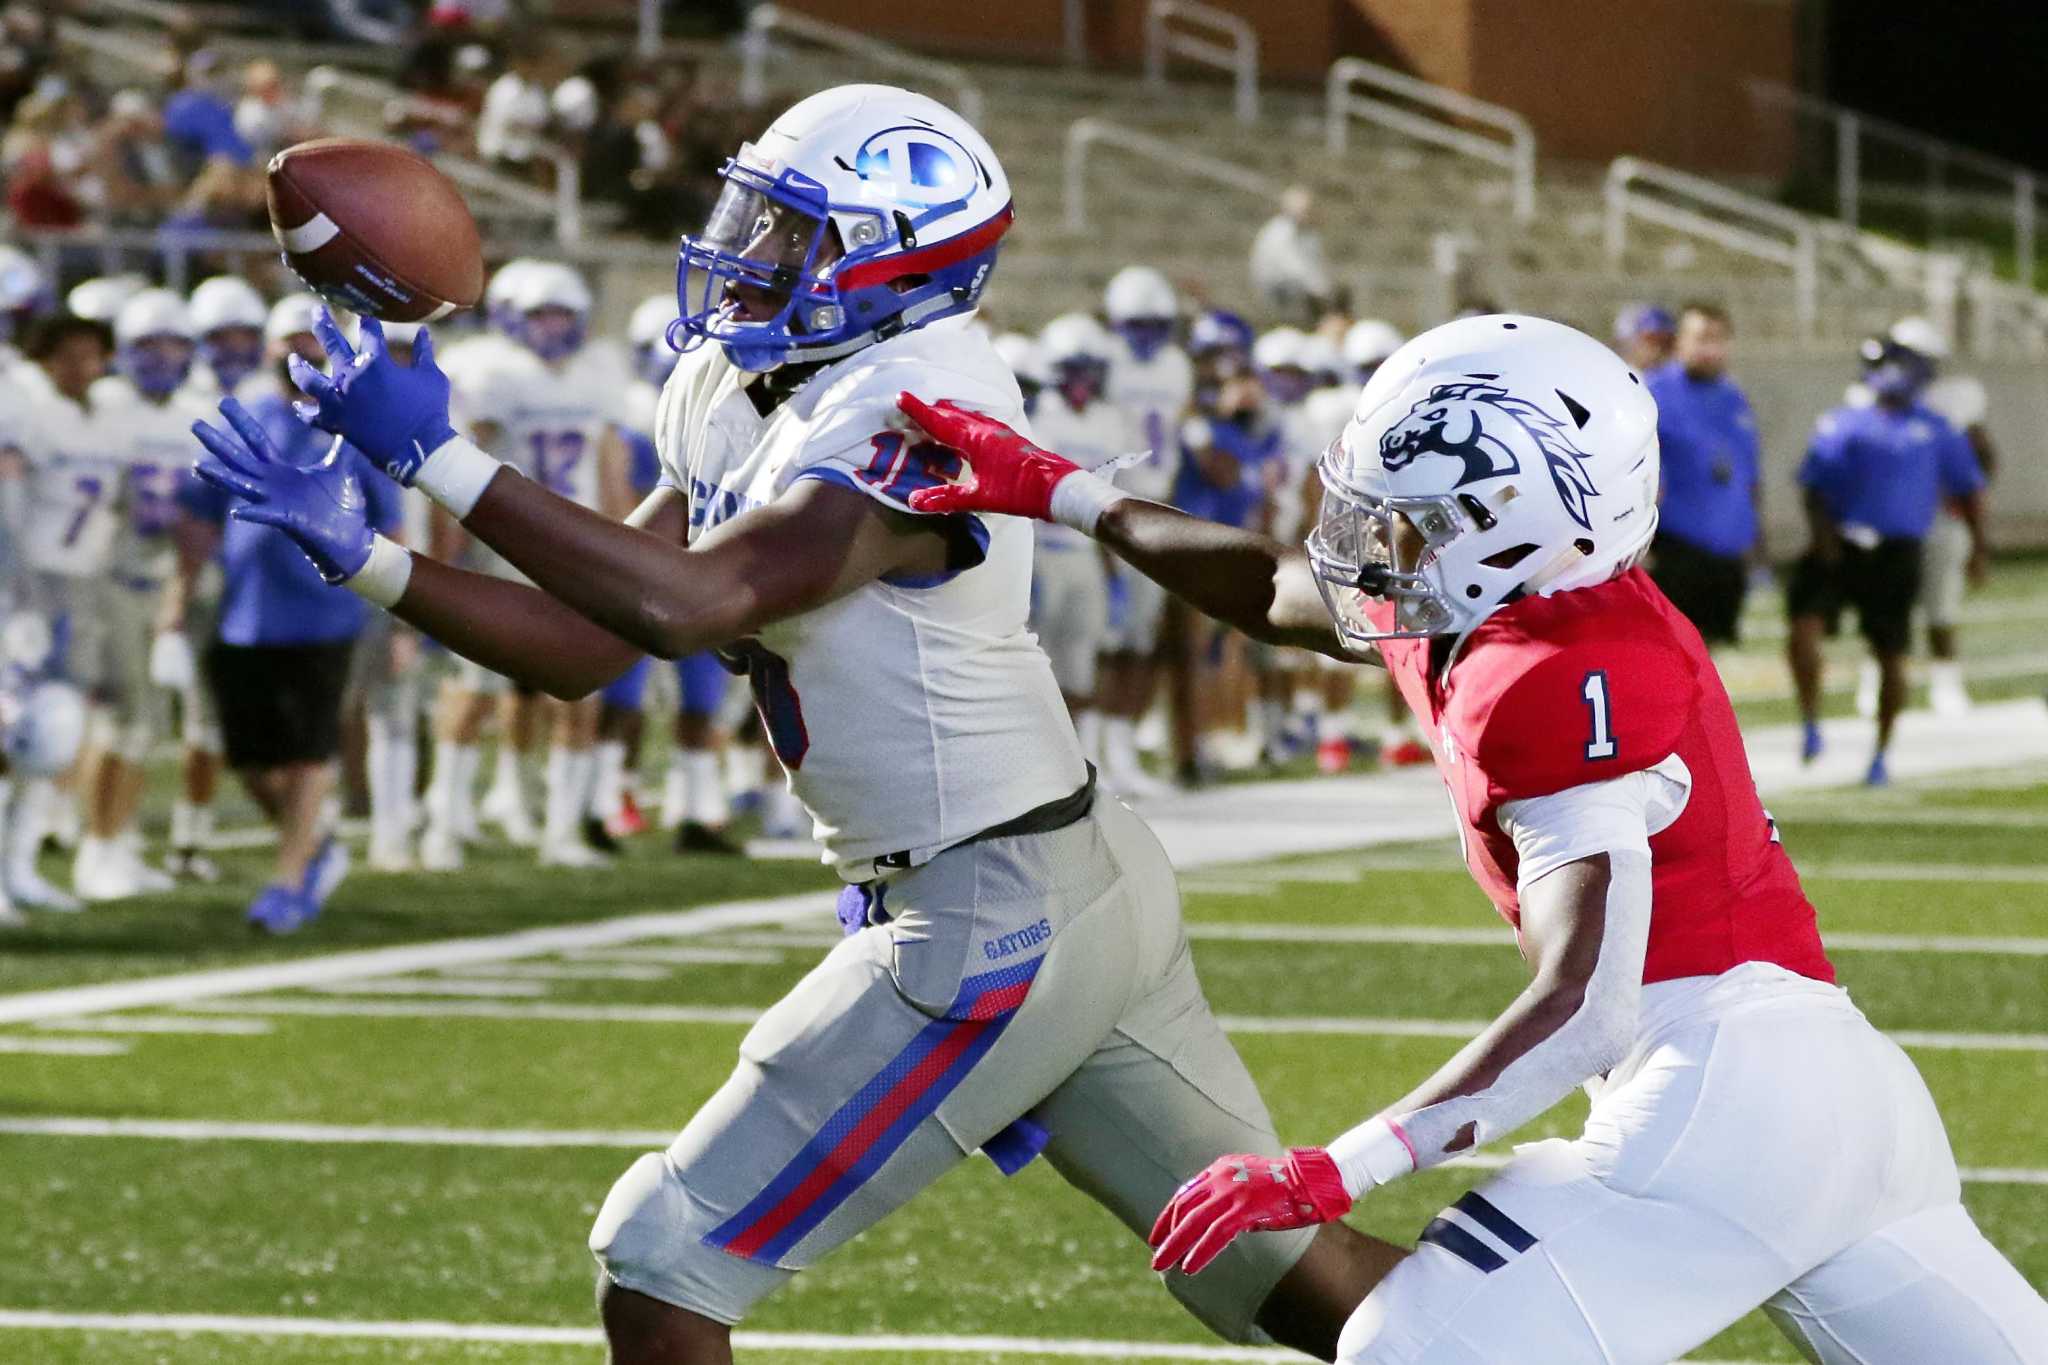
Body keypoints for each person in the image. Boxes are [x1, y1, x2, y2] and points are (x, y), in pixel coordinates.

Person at [195, 83, 1386, 1362]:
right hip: (1054, 874)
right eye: (753, 217)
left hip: (994, 904)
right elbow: (593, 645)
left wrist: (440, 458)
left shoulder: (920, 404)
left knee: (661, 1259)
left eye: (790, 233)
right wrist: (372, 558)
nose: (745, 254)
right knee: (1294, 1282)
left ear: (897, 260)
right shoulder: (744, 382)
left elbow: (688, 603)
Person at [895, 311, 2048, 1365]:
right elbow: (1272, 588)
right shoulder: (1504, 605)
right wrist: (1049, 489)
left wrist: (1335, 1166)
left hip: (1719, 1102)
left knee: (1416, 1347)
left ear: (1514, 518)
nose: (1369, 538)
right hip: (1838, 1095)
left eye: (1409, 515)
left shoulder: (1553, 674)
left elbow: (1585, 998)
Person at [175, 294, 404, 932]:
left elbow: (393, 526)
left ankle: (286, 880)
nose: (298, 351)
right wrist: (178, 603)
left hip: (328, 611)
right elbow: (197, 516)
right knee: (249, 760)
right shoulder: (241, 417)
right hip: (244, 612)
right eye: (288, 341)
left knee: (309, 752)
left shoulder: (359, 428)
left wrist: (404, 614)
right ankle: (313, 851)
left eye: (311, 341)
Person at [1788, 333, 1987, 785]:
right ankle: (1811, 721)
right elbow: (1814, 487)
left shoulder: (1937, 428)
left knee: (1891, 652)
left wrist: (1979, 548)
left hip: (1897, 553)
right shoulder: (1843, 423)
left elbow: (1969, 490)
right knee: (1803, 630)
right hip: (1841, 544)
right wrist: (1825, 541)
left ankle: (1881, 751)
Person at [100, 289, 215, 887]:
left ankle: (115, 843)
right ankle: (100, 845)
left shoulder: (199, 415)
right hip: (108, 578)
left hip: (171, 581)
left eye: (174, 344)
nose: (163, 357)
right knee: (121, 722)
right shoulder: (105, 408)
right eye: (149, 345)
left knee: (147, 724)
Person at [1871, 317, 1993, 718]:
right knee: (1888, 607)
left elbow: (1982, 467)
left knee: (1941, 608)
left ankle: (1946, 684)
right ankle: (1879, 681)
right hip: (1891, 518)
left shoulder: (1952, 403)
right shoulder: (1871, 396)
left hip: (1940, 515)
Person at [1097, 265, 1188, 798]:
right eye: (1137, 324)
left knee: (1140, 638)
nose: (1147, 335)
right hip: (1108, 505)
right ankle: (1096, 751)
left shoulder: (1177, 364)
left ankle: (1123, 747)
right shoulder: (1103, 362)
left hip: (1158, 502)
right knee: (1104, 643)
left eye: (1156, 324)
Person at [1027, 311, 1121, 761]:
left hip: (1085, 551)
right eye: (1072, 370)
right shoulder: (1038, 416)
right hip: (1042, 550)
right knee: (1034, 664)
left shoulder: (1107, 421)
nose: (1082, 380)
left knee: (1082, 661)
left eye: (1088, 370)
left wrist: (1112, 565)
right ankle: (1038, 762)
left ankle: (1082, 760)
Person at [1644, 302, 1760, 648]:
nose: (1709, 347)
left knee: (1709, 662)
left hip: (1726, 552)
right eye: (1700, 338)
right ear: (1679, 341)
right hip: (1674, 549)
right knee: (1668, 654)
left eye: (1717, 338)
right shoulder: (1652, 391)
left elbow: (1748, 475)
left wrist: (1756, 540)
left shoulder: (1734, 397)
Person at [1249, 184, 1331, 324]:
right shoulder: (1278, 233)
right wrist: (1322, 291)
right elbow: (1294, 269)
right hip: (1279, 291)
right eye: (1305, 210)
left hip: (1300, 291)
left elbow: (1317, 266)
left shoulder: (1309, 235)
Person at [1611, 301, 1674, 373]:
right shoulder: (1614, 374)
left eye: (1666, 342)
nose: (1658, 349)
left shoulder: (1671, 378)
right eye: (1651, 340)